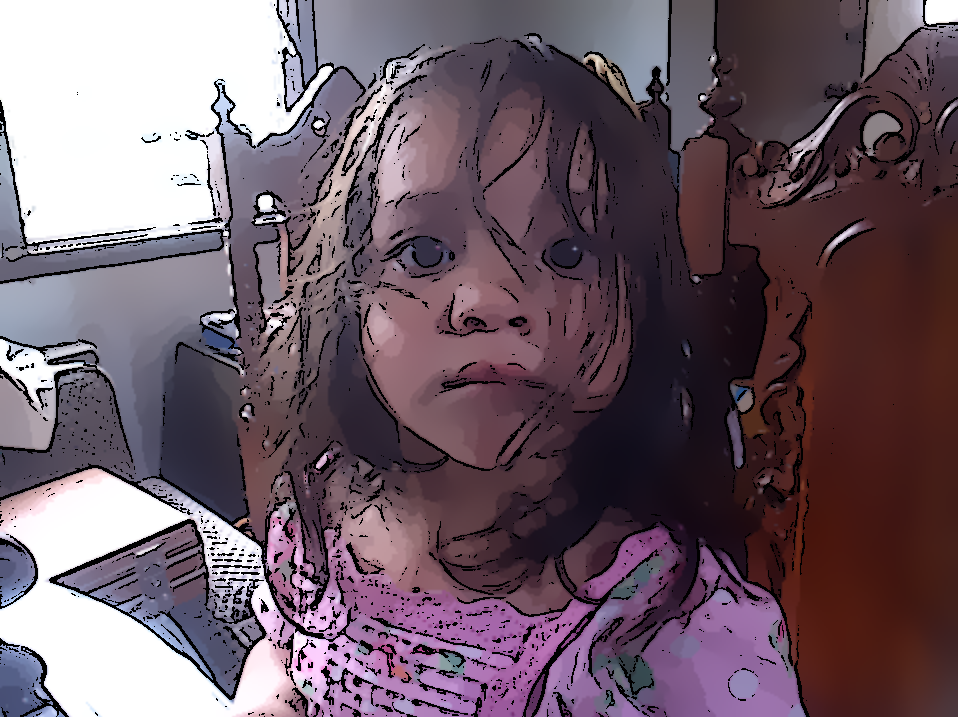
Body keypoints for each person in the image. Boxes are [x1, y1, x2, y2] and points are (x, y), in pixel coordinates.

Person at [230, 36, 806, 717]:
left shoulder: (669, 622)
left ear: (643, 302)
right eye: (425, 251)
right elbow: (284, 648)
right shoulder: (324, 510)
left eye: (568, 251)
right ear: (351, 295)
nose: (488, 299)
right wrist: (270, 695)